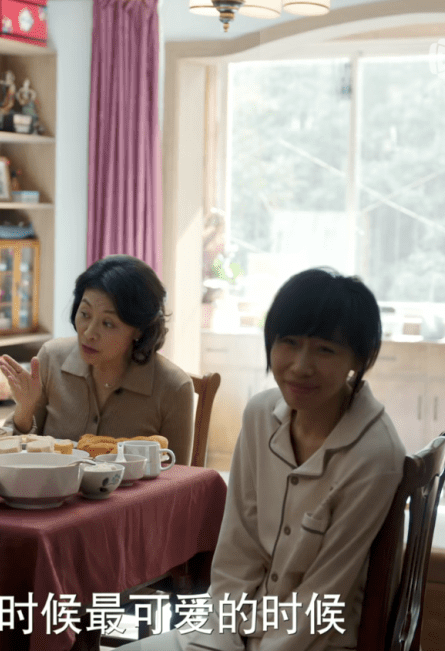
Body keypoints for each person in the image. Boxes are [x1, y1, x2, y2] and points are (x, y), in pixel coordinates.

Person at [122, 267, 405, 651]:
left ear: (358, 357)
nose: (301, 366)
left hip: (317, 640)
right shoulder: (260, 416)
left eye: (325, 349)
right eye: (289, 342)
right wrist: (218, 638)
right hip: (235, 628)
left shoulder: (374, 453)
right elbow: (236, 552)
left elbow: (323, 595)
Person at [0, 254, 195, 462]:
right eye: (85, 314)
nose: (89, 333)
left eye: (108, 323)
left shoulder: (174, 388)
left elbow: (179, 476)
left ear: (139, 329)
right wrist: (24, 410)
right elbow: (11, 455)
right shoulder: (51, 358)